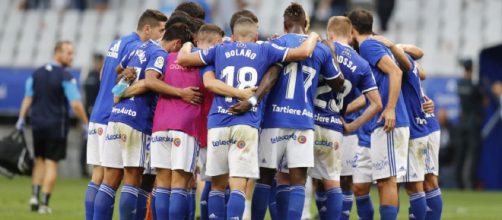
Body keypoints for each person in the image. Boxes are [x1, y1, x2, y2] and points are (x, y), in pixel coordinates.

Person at [176, 17, 321, 220]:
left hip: (218, 121)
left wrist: (187, 43)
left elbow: (183, 59)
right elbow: (304, 51)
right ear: (255, 36)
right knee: (238, 183)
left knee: (217, 185)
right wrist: (313, 35)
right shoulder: (264, 49)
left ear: (233, 36)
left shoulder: (219, 50)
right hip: (246, 123)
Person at [246, 4, 345, 219]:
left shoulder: (275, 43)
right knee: (298, 180)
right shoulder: (320, 48)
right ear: (306, 24)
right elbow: (339, 84)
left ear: (284, 24)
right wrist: (331, 52)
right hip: (303, 120)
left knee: (264, 178)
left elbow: (265, 77)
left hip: (273, 120)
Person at [84, 9, 168, 220]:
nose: (162, 35)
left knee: (99, 176)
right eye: (161, 30)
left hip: (100, 113)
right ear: (147, 29)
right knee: (120, 177)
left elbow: (107, 73)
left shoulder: (117, 43)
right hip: (118, 114)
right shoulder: (138, 47)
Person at [312, 16, 381, 220]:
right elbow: (375, 103)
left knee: (302, 180)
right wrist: (351, 126)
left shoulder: (317, 49)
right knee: (340, 181)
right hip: (338, 128)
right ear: (351, 35)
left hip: (309, 122)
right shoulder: (361, 63)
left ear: (329, 33)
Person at [348, 9, 411, 220]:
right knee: (372, 184)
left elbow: (397, 71)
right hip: (382, 121)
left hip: (390, 119)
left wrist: (391, 107)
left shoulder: (368, 45)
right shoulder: (370, 47)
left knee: (387, 181)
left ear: (352, 29)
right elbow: (405, 66)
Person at [16, 41, 89, 214]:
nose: (72, 57)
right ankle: (45, 204)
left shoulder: (36, 74)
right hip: (56, 125)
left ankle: (34, 196)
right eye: (69, 53)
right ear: (58, 52)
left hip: (37, 125)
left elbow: (28, 98)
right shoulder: (66, 76)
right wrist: (86, 123)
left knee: (39, 160)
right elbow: (76, 104)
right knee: (51, 164)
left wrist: (21, 118)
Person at [455, 59, 483, 189]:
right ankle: (470, 183)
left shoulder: (459, 84)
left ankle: (459, 183)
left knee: (460, 152)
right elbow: (483, 102)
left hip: (462, 121)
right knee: (472, 153)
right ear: (472, 69)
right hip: (472, 122)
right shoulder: (475, 86)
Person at [81, 53, 104, 177]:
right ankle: (84, 168)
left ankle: (96, 168)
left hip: (96, 111)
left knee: (93, 140)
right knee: (87, 140)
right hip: (91, 112)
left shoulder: (98, 75)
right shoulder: (91, 75)